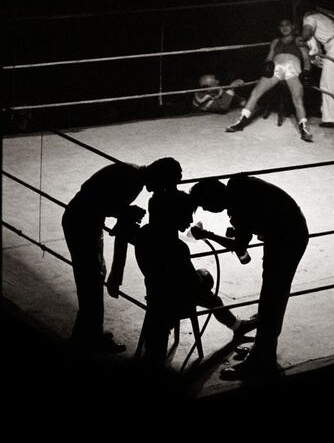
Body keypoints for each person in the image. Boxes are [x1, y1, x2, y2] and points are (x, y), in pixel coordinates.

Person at [115, 190, 257, 365]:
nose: (190, 221)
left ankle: (155, 353)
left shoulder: (144, 233)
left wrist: (127, 219)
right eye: (186, 215)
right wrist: (205, 275)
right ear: (172, 216)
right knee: (210, 294)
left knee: (202, 298)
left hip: (154, 293)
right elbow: (194, 282)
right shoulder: (178, 248)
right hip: (177, 299)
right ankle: (236, 326)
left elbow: (124, 232)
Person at [189, 174, 309, 381]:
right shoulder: (238, 184)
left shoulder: (237, 207)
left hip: (286, 239)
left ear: (212, 198)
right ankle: (262, 348)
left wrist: (207, 234)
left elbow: (239, 246)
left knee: (273, 296)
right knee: (272, 294)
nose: (208, 211)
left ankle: (263, 358)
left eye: (206, 206)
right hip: (287, 232)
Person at [62, 157, 182, 353]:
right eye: (164, 184)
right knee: (91, 277)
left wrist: (123, 211)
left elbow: (98, 196)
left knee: (93, 275)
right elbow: (100, 200)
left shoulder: (133, 175)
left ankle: (88, 331)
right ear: (159, 176)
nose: (159, 190)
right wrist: (124, 211)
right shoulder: (132, 179)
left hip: (85, 220)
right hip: (82, 222)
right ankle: (89, 337)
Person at [225, 18, 313, 142]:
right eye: (281, 25)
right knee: (255, 92)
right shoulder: (275, 41)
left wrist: (307, 71)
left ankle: (304, 129)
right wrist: (268, 64)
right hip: (276, 68)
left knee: (297, 98)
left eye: (287, 25)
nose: (284, 28)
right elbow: (269, 58)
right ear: (279, 28)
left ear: (292, 26)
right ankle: (240, 122)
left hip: (293, 68)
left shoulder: (297, 39)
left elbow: (305, 57)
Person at [301, 9, 334, 127]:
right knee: (327, 82)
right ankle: (326, 112)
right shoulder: (324, 16)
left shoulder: (310, 18)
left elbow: (306, 33)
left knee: (328, 85)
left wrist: (300, 40)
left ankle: (333, 119)